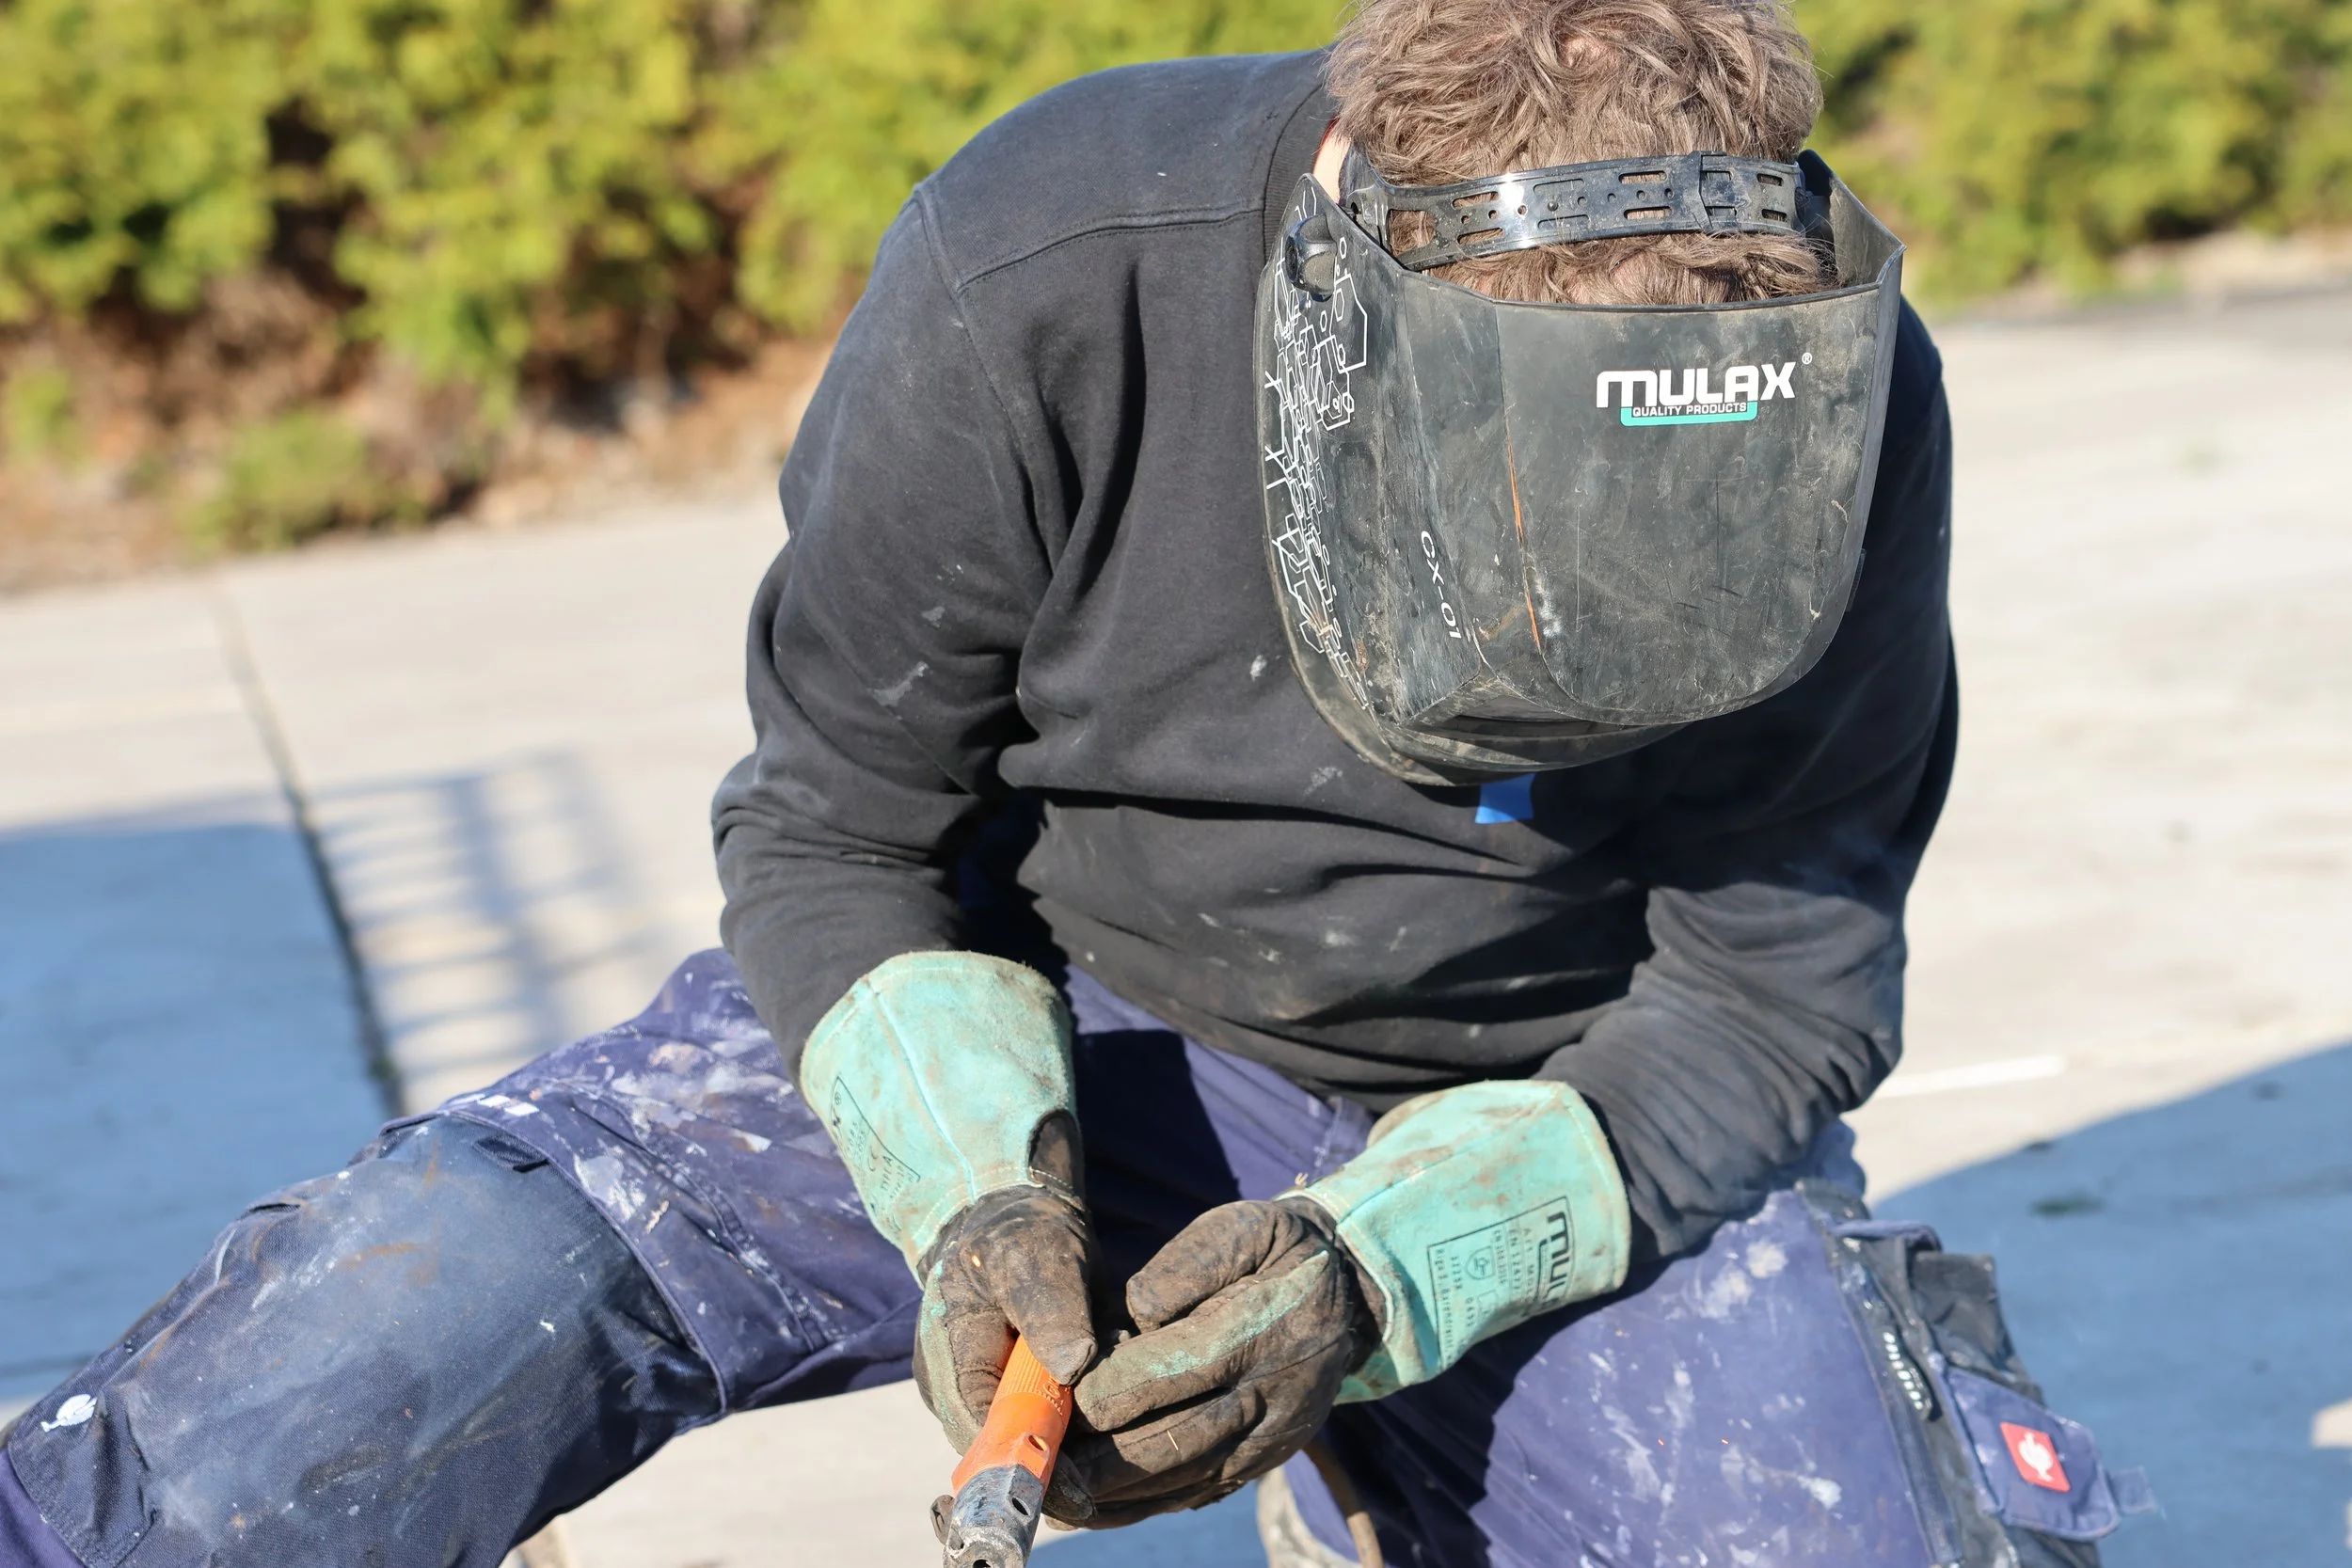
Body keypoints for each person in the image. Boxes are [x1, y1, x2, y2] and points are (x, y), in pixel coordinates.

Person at [2, 4, 2151, 1565]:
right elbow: (836, 825)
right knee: (391, 1322)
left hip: (1537, 1086)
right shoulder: (1055, 259)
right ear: (1343, 233)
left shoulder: (1822, 388)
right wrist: (970, 1184)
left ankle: (1386, 1455)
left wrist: (1390, 1269)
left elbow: (1778, 985)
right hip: (1060, 1006)